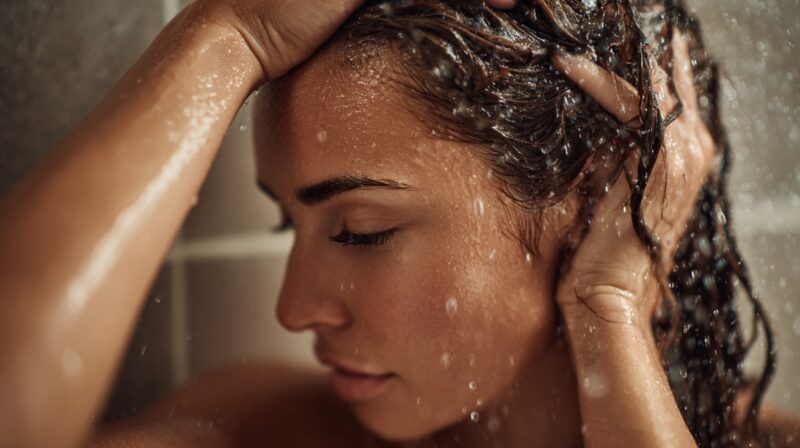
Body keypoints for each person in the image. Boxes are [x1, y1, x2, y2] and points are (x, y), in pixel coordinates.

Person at [0, 0, 797, 447]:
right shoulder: (264, 434)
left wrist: (606, 305)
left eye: (359, 230)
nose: (293, 310)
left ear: (591, 197)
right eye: (288, 225)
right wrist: (229, 36)